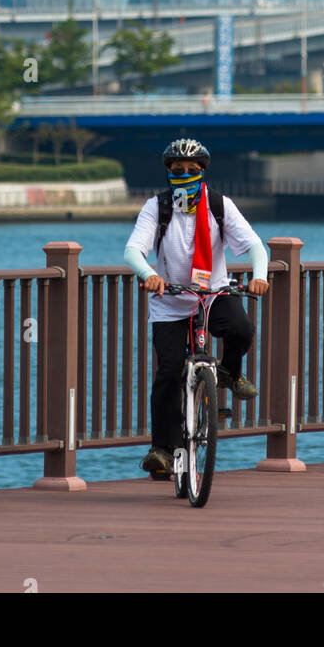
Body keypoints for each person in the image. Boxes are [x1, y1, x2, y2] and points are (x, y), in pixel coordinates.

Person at [124, 137, 269, 477]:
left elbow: (255, 246)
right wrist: (149, 275)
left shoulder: (219, 205)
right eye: (177, 171)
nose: (184, 175)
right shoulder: (156, 207)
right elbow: (133, 251)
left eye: (191, 170)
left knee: (242, 329)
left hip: (213, 294)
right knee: (169, 374)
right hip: (170, 301)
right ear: (167, 173)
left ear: (203, 171)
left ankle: (230, 373)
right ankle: (162, 450)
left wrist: (259, 277)